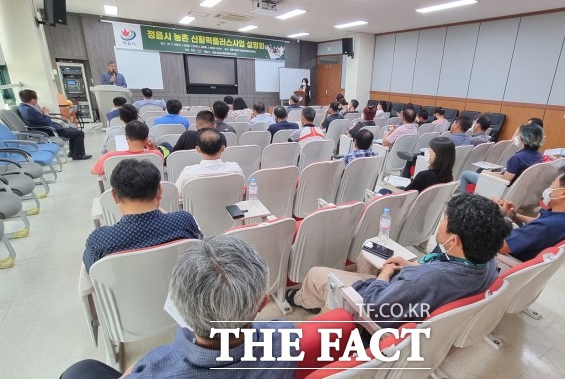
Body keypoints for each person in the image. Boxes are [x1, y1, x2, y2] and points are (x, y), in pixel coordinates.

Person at [67, 236, 297, 378]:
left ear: (180, 306)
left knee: (80, 371)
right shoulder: (287, 336)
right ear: (263, 303)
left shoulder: (157, 363)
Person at [286, 194, 510, 325]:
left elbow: (373, 310)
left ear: (454, 240)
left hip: (378, 308)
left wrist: (384, 275)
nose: (440, 223)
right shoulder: (487, 260)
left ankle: (301, 299)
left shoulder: (420, 281)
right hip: (417, 297)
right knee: (363, 257)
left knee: (316, 274)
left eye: (444, 219)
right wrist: (410, 265)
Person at [83, 159, 202, 271]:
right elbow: (201, 250)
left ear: (114, 196)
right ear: (160, 191)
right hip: (180, 289)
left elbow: (91, 271)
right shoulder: (184, 221)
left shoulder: (100, 240)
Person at [496, 166, 565, 261]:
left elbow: (499, 247)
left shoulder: (547, 227)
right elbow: (538, 224)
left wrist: (494, 216)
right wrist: (514, 216)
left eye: (553, 185)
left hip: (502, 259)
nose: (549, 187)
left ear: (563, 193)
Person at [459, 123, 544, 192]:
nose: (517, 137)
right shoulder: (538, 155)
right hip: (518, 190)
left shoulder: (517, 158)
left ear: (524, 138)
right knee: (481, 170)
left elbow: (505, 180)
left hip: (501, 189)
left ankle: (464, 202)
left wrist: (487, 173)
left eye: (518, 134)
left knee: (466, 173)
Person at [18, 89, 91, 160]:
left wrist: (43, 114)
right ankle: (78, 155)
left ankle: (73, 153)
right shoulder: (29, 110)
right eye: (37, 99)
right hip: (48, 131)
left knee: (73, 131)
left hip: (46, 128)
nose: (37, 100)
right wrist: (46, 114)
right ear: (33, 100)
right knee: (79, 133)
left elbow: (40, 120)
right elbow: (45, 122)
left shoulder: (23, 107)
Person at [175, 129, 243, 196]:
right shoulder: (235, 169)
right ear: (222, 148)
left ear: (198, 149)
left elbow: (176, 194)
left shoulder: (188, 173)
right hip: (229, 207)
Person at [91, 121, 163, 176]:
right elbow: (161, 162)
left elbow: (93, 170)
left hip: (121, 194)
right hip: (149, 194)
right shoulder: (156, 154)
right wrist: (152, 148)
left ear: (126, 137)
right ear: (147, 138)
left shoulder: (110, 157)